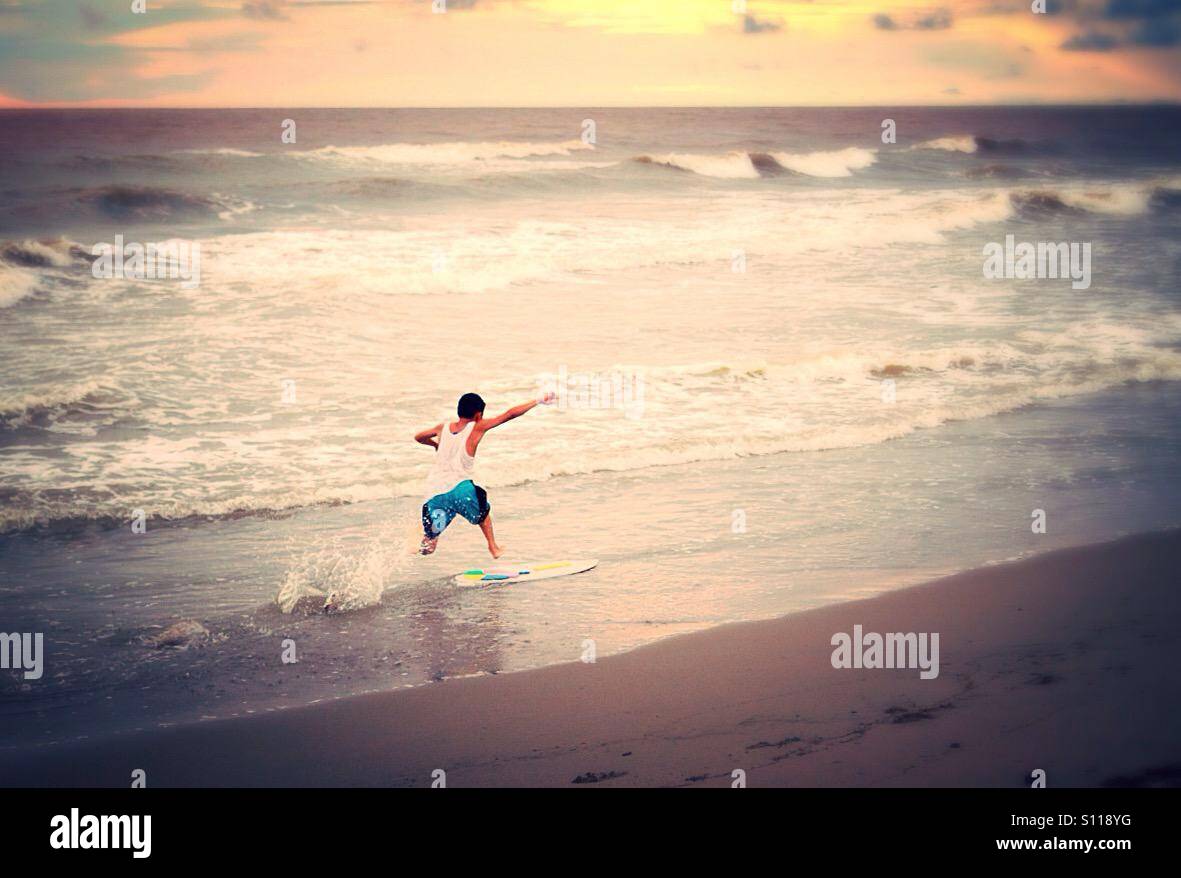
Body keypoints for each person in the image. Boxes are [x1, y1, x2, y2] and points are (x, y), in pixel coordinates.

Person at [415, 391, 555, 558]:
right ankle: (493, 547)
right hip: (461, 490)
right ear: (478, 414)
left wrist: (435, 445)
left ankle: (415, 547)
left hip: (435, 494)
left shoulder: (441, 428)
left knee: (429, 545)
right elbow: (509, 414)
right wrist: (538, 400)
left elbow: (419, 437)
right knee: (483, 513)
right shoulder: (477, 426)